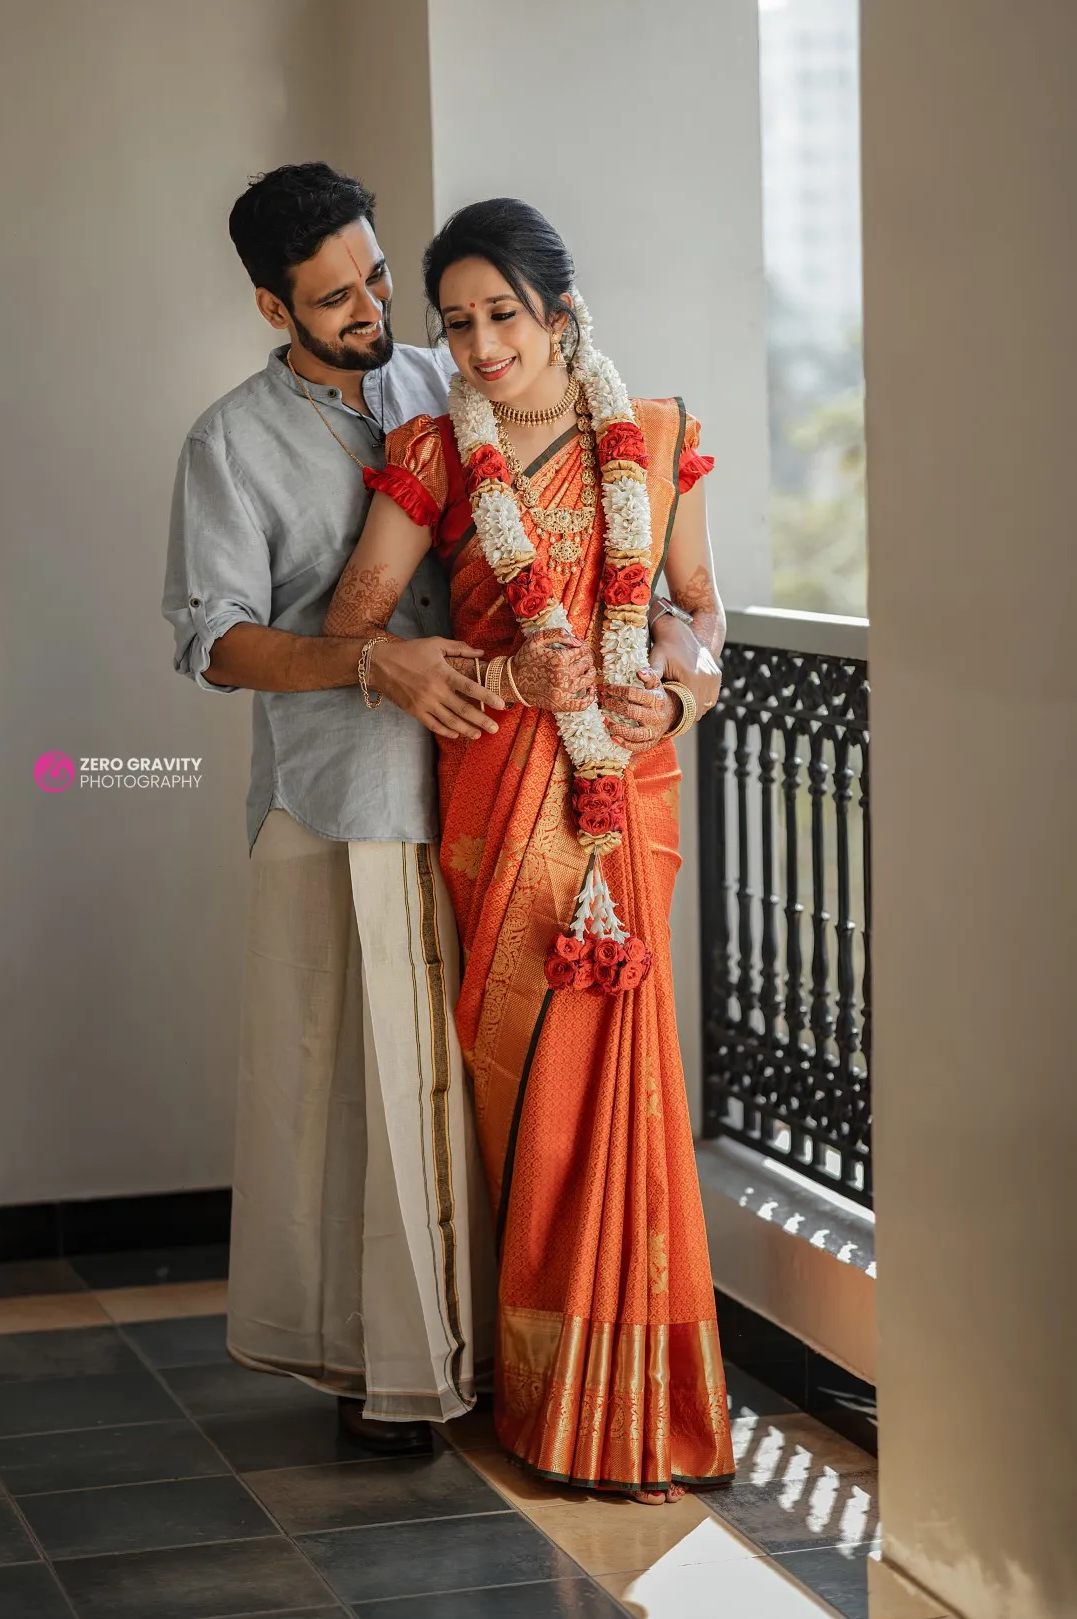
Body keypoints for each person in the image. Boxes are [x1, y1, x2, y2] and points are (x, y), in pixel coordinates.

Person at [322, 198, 735, 1502]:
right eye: (456, 323)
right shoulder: (438, 451)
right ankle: (553, 1398)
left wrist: (681, 694)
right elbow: (355, 625)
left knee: (631, 1084)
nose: (482, 345)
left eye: (503, 314)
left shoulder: (654, 435)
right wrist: (502, 673)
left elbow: (699, 611)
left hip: (630, 789)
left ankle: (645, 1405)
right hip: (504, 800)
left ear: (559, 311)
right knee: (538, 1097)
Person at [162, 163, 507, 1454]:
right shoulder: (229, 443)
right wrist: (373, 663)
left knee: (475, 1082)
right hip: (340, 796)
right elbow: (214, 643)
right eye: (334, 297)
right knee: (364, 1097)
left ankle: (504, 1351)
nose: (373, 308)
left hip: (489, 790)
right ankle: (390, 1368)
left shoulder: (451, 384)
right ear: (273, 307)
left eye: (376, 276)